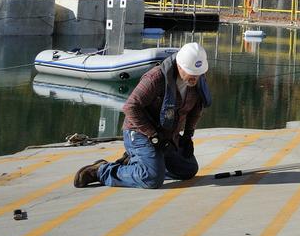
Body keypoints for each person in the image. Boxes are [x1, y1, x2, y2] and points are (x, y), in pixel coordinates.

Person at [73, 42, 211, 189]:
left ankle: (141, 164)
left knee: (188, 170)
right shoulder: (156, 78)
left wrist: (188, 135)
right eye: (191, 72)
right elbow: (130, 107)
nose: (194, 78)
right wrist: (153, 135)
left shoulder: (198, 80)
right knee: (152, 179)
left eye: (198, 73)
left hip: (167, 137)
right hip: (140, 133)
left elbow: (196, 108)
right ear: (179, 65)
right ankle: (101, 171)